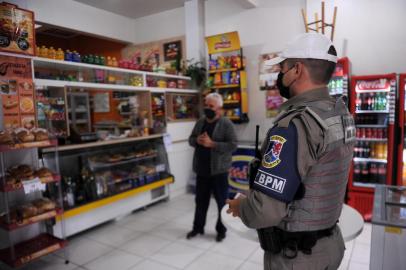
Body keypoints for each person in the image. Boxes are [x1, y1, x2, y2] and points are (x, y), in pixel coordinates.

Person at [226, 33, 355, 270]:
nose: (279, 75)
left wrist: (240, 206)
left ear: (296, 70)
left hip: (298, 257)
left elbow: (263, 212)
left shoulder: (294, 126)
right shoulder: (340, 114)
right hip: (330, 246)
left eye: (282, 68)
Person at [187, 92, 237, 242]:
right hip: (202, 171)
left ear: (219, 109)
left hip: (219, 172)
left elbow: (233, 145)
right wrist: (198, 141)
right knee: (200, 202)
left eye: (211, 106)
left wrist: (212, 144)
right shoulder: (200, 122)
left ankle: (221, 231)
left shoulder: (226, 124)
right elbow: (190, 139)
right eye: (206, 105)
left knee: (222, 203)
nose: (208, 108)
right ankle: (197, 228)